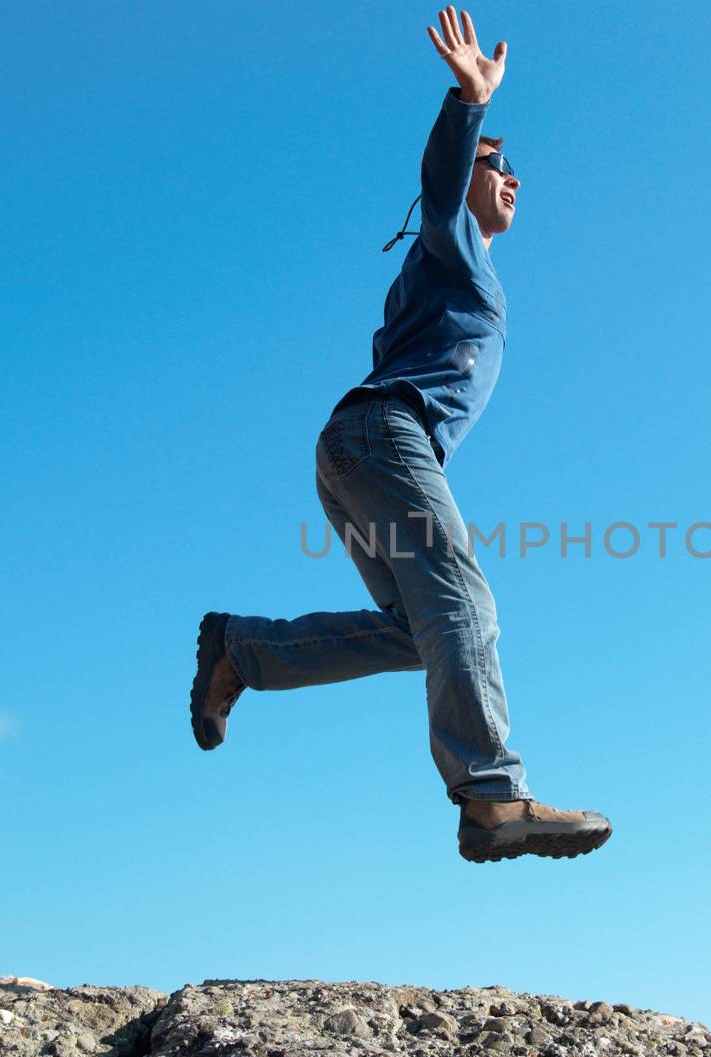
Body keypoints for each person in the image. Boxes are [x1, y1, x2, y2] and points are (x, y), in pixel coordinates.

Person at [188, 7, 611, 864]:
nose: (515, 179)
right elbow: (443, 178)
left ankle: (243, 648)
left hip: (356, 447)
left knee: (426, 632)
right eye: (503, 166)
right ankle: (492, 795)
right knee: (467, 603)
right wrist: (469, 107)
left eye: (518, 170)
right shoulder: (450, 236)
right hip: (384, 436)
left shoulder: (461, 265)